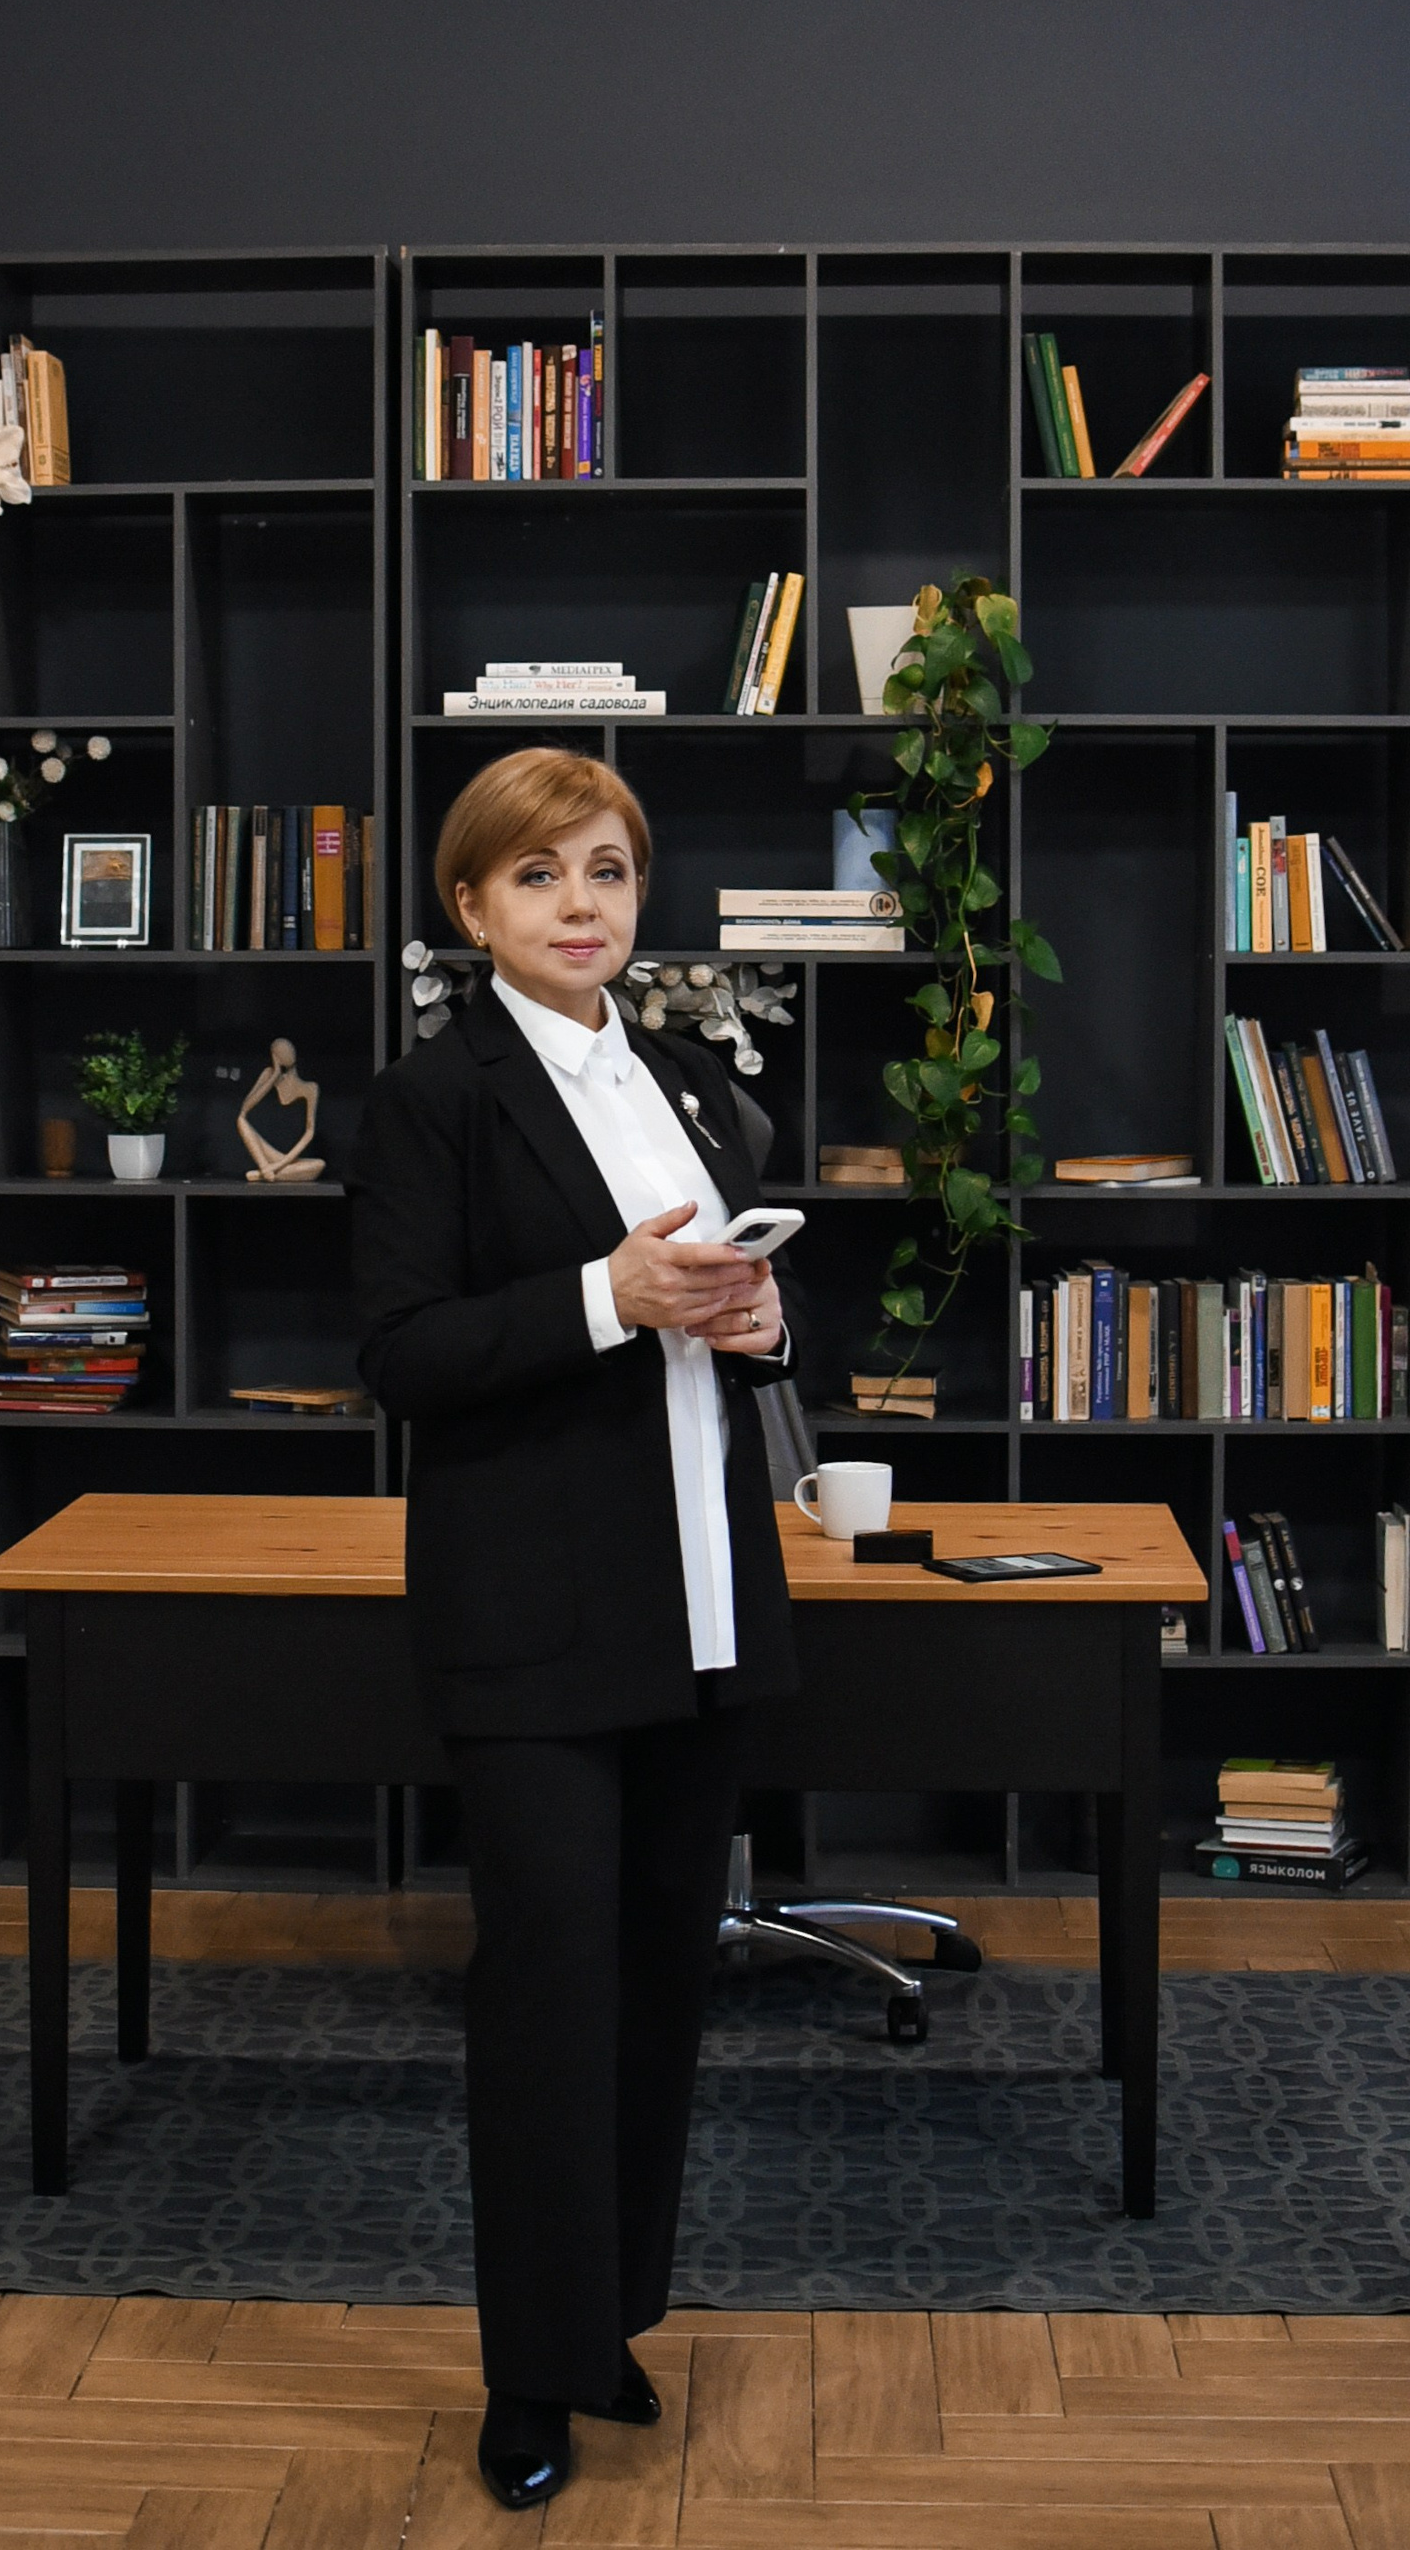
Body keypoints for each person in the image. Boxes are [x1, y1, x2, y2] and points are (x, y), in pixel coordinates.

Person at [349, 746, 799, 2511]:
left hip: (700, 1599)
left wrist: (760, 1326)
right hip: (531, 1620)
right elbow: (404, 1355)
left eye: (606, 870)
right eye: (538, 876)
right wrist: (609, 1294)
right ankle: (528, 2379)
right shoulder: (430, 1098)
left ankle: (604, 2317)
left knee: (659, 1985)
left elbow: (732, 1325)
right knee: (547, 1996)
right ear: (471, 908)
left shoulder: (691, 1082)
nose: (580, 904)